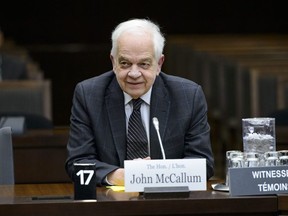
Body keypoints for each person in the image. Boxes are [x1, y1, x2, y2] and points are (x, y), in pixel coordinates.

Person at [65, 18, 214, 186]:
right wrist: (124, 176)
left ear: (159, 64)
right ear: (113, 62)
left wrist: (151, 175)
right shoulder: (89, 95)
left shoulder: (188, 96)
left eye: (144, 64)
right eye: (125, 63)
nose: (134, 73)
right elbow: (78, 164)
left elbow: (203, 165)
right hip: (110, 204)